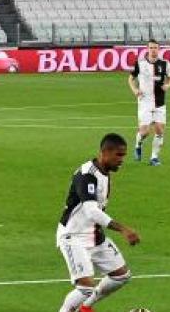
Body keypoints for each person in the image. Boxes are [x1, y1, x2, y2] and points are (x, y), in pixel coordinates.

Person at [55, 133, 140, 312]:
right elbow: (91, 211)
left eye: (123, 155)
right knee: (85, 288)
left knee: (121, 276)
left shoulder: (104, 172)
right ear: (105, 152)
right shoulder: (87, 175)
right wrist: (123, 229)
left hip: (94, 236)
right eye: (118, 155)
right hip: (73, 236)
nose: (122, 160)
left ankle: (85, 308)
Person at [129, 39, 170, 165]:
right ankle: (138, 144)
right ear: (147, 49)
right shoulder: (140, 63)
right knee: (145, 132)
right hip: (145, 102)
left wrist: (168, 85)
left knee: (160, 130)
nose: (153, 50)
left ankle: (154, 157)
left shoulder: (165, 64)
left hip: (160, 102)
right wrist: (135, 90)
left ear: (158, 49)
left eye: (155, 48)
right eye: (151, 48)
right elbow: (131, 79)